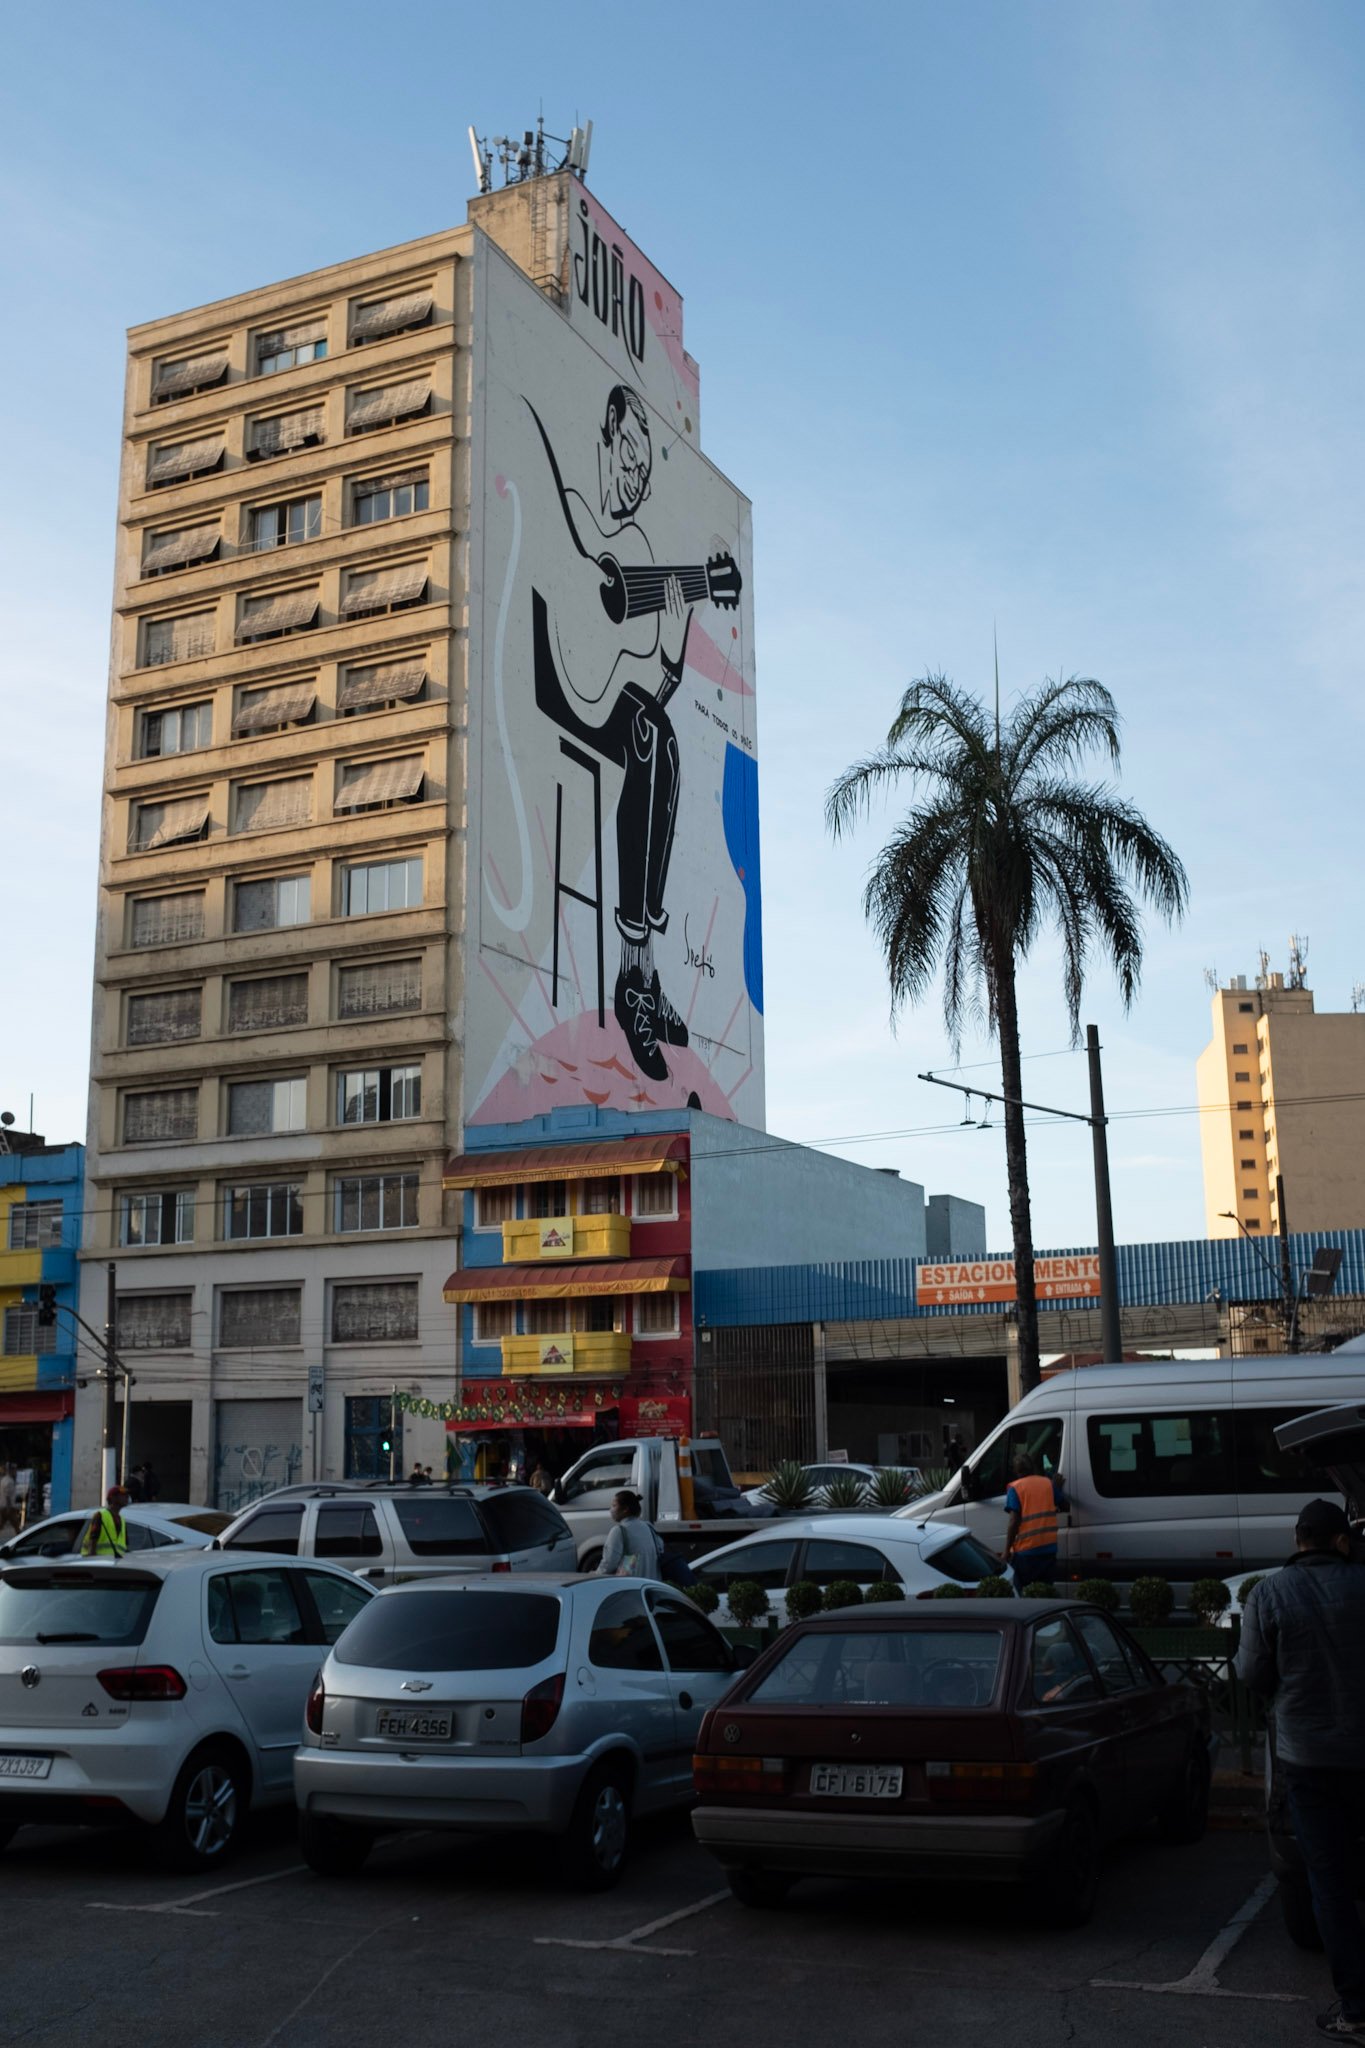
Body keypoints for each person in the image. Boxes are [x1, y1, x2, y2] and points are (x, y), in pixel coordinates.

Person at [528, 384, 739, 1084]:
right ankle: (633, 975)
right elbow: (565, 589)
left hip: (604, 694)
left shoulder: (639, 546)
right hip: (554, 673)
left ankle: (639, 969)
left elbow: (648, 679)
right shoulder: (574, 509)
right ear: (605, 440)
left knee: (660, 737)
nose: (634, 480)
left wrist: (678, 629)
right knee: (651, 735)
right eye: (627, 459)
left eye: (644, 472)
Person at [1237, 1497, 1365, 2039]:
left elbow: (1251, 1673)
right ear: (1342, 1542)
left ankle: (1356, 2008)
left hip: (1307, 1761)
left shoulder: (1268, 1594)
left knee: (1328, 1881)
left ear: (1297, 1541)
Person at [1003, 1451, 1069, 1592]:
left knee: (1021, 1592)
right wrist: (1057, 1490)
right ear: (1032, 1467)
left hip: (1026, 1552)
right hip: (1049, 1549)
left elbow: (1014, 1521)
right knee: (1045, 1592)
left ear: (1016, 1471)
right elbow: (1065, 1506)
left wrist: (1006, 1551)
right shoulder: (1048, 1484)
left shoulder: (1015, 1488)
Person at [594, 1491, 664, 1579]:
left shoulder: (620, 1531)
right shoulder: (649, 1527)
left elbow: (608, 1564)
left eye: (614, 1506)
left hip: (632, 1585)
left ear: (625, 1509)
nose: (610, 1510)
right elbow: (660, 1550)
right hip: (653, 1584)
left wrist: (595, 1575)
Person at [81, 1486, 130, 1557]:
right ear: (113, 1498)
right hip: (101, 1561)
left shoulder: (122, 1520)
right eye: (123, 1495)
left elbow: (125, 1545)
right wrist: (92, 1559)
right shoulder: (100, 1515)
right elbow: (93, 1540)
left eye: (127, 1495)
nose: (126, 1497)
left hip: (116, 1561)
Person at [0, 1464, 19, 1540]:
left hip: (2, 1505)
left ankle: (19, 1535)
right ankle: (21, 1537)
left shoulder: (3, 1480)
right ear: (11, 1470)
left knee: (2, 1523)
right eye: (14, 1470)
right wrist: (9, 1507)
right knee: (16, 1523)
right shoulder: (9, 1481)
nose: (15, 1472)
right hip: (8, 1507)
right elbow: (7, 1495)